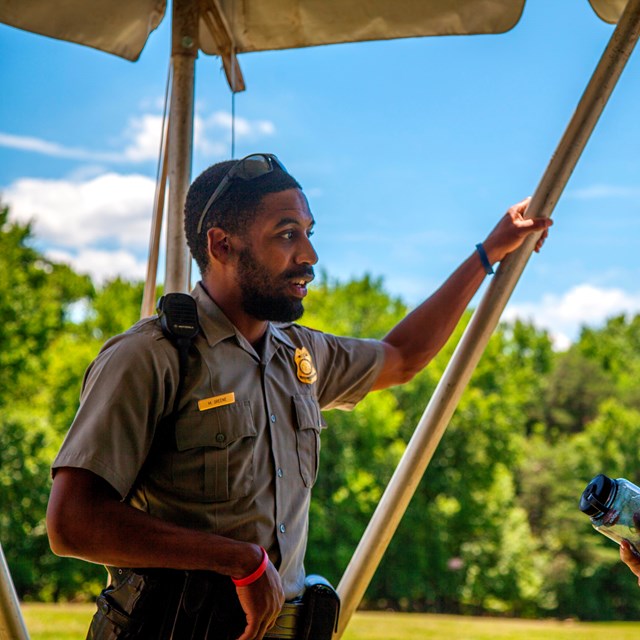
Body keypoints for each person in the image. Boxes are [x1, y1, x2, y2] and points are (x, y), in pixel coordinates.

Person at [46, 153, 552, 640]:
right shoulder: (150, 356)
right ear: (221, 245)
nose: (308, 256)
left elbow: (402, 356)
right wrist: (239, 560)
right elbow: (72, 523)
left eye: (308, 234)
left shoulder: (300, 355)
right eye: (287, 235)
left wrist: (487, 254)